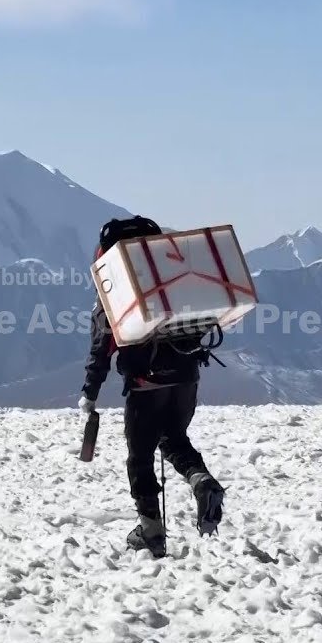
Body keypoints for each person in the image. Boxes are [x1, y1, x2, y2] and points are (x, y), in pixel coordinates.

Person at [78, 218, 226, 559]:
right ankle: (201, 480)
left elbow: (101, 348)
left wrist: (89, 394)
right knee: (173, 438)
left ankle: (151, 531)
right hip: (186, 376)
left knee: (140, 457)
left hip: (146, 383)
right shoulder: (171, 279)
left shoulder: (115, 290)